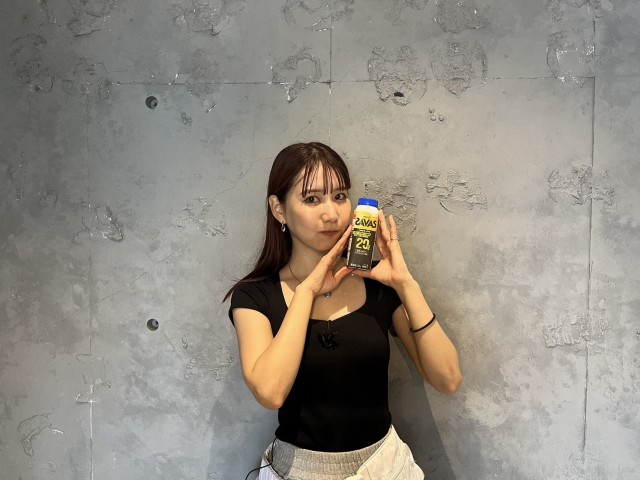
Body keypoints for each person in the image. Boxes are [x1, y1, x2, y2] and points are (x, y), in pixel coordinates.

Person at [224, 142, 462, 480]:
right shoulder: (255, 297)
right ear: (279, 210)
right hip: (297, 472)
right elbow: (270, 391)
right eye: (311, 199)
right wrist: (306, 291)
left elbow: (448, 379)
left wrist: (406, 284)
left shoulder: (378, 283)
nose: (332, 214)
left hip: (384, 467)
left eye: (339, 196)